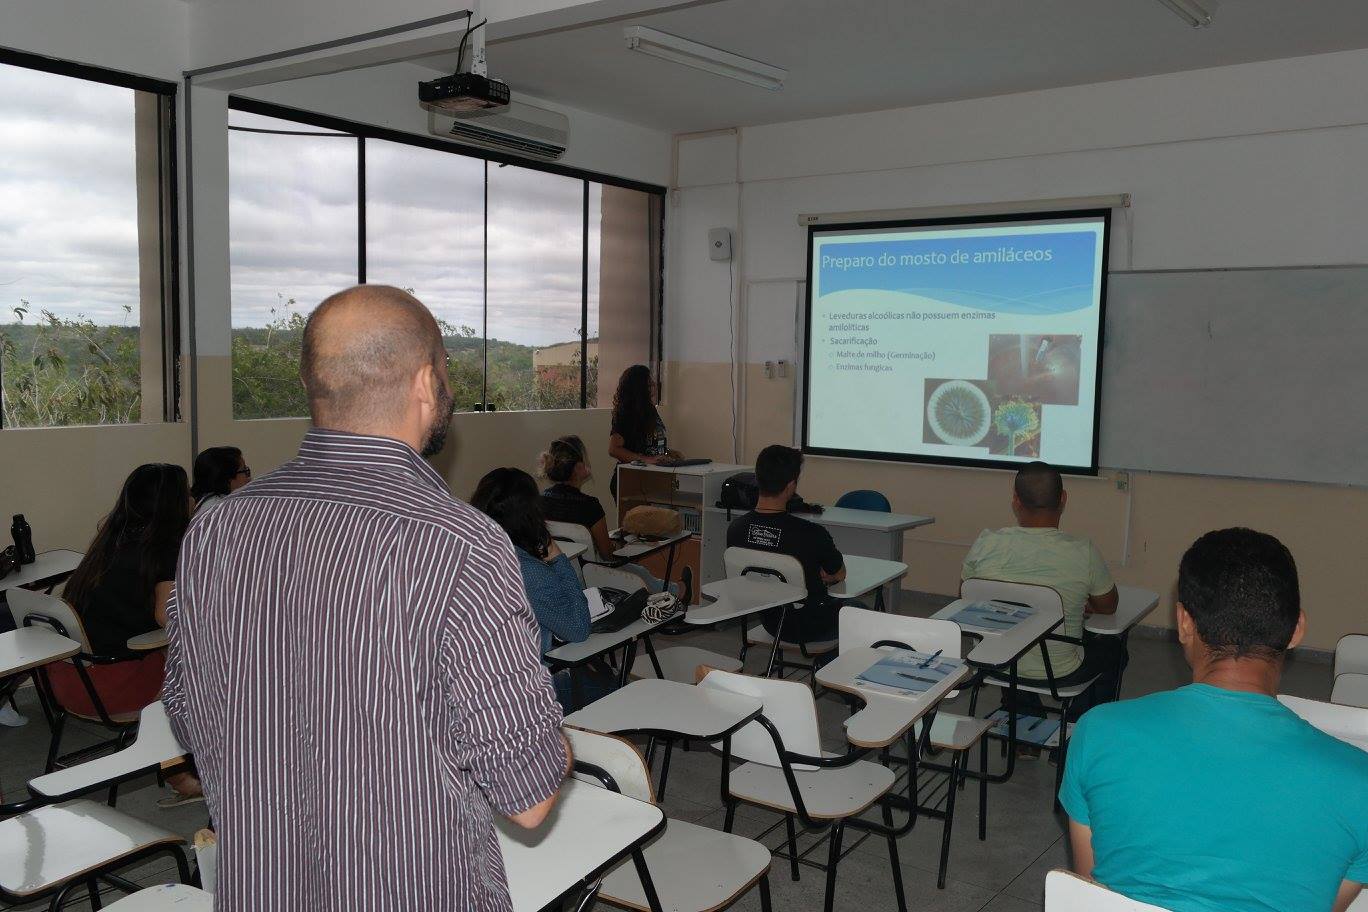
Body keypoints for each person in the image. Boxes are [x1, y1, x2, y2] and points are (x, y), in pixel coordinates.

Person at [163, 285, 569, 911]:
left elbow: (188, 713)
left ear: (312, 384)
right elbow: (530, 796)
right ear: (427, 382)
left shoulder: (214, 529)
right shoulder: (460, 542)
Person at [1060, 528, 1368, 912]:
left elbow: (1091, 894)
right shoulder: (1360, 782)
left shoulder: (1098, 732)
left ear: (1184, 623)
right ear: (1296, 630)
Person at [53, 462, 202, 805]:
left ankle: (179, 761)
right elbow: (168, 618)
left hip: (68, 679)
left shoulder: (110, 539)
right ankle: (181, 776)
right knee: (215, 674)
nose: (193, 499)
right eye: (187, 493)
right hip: (112, 686)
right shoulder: (165, 550)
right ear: (172, 504)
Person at [960, 461, 1119, 718]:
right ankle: (1076, 727)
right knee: (1114, 648)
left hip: (995, 662)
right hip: (1059, 671)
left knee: (1014, 634)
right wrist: (1076, 602)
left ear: (1016, 501)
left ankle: (1024, 719)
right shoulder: (1083, 550)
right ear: (1063, 499)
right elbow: (1109, 606)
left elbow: (966, 596)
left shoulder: (986, 543)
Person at [472, 466, 602, 712]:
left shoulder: (472, 556)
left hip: (482, 682)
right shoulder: (528, 571)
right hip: (527, 690)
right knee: (616, 685)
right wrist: (558, 559)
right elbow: (578, 629)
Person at [725, 444, 845, 644]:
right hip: (814, 624)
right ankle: (828, 662)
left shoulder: (736, 529)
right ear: (791, 486)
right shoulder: (812, 533)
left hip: (770, 622)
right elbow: (839, 574)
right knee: (861, 610)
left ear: (758, 479)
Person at [539, 434, 673, 594]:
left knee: (640, 573)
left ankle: (678, 590)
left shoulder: (539, 502)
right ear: (578, 467)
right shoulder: (590, 506)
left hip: (554, 577)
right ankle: (679, 592)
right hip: (590, 576)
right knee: (641, 574)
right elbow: (607, 555)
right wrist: (624, 545)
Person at [607, 364, 679, 499]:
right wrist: (648, 460)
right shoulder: (626, 414)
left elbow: (648, 444)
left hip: (653, 478)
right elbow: (614, 449)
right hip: (631, 480)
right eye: (649, 384)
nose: (653, 386)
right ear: (639, 388)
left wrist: (667, 453)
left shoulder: (650, 409)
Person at [190, 445, 251, 513]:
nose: (249, 478)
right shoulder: (220, 508)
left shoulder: (203, 502)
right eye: (245, 471)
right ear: (228, 477)